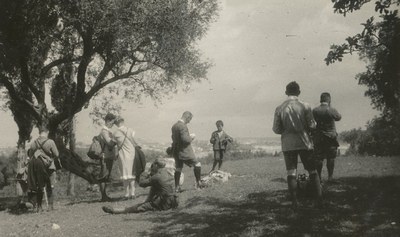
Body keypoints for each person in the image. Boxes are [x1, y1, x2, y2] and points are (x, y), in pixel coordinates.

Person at [272, 81, 322, 209]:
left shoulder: (280, 108)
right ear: (299, 92)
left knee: (291, 172)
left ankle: (295, 202)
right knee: (312, 171)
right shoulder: (305, 106)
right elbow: (312, 125)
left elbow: (276, 129)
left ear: (286, 92)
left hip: (288, 143)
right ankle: (319, 200)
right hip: (304, 141)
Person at [102, 159, 178, 214]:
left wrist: (146, 171)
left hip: (164, 203)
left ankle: (115, 210)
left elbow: (141, 183)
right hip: (173, 202)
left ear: (156, 165)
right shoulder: (168, 172)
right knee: (155, 187)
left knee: (139, 207)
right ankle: (147, 202)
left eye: (153, 165)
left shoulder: (157, 176)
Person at [26, 126, 60, 211]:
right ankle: (50, 206)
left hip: (37, 167)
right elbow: (56, 154)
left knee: (39, 186)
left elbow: (30, 156)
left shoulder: (33, 143)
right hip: (49, 167)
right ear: (47, 132)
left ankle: (39, 206)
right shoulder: (50, 142)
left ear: (40, 133)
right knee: (50, 186)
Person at [313, 92, 342, 182]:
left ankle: (319, 178)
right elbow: (338, 117)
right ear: (329, 99)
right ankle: (330, 177)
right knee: (331, 158)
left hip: (319, 137)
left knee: (319, 158)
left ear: (321, 99)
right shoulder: (331, 109)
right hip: (331, 137)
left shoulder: (315, 110)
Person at [171, 111, 203, 191]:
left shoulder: (174, 126)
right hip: (184, 151)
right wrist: (191, 137)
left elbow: (173, 138)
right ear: (187, 117)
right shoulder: (183, 126)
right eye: (189, 119)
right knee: (197, 164)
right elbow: (185, 140)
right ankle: (198, 185)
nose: (189, 121)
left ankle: (177, 188)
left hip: (176, 151)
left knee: (178, 168)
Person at [113, 117, 136, 199]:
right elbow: (133, 140)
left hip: (123, 154)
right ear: (123, 122)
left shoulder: (115, 133)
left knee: (125, 174)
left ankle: (126, 194)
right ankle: (133, 193)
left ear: (116, 123)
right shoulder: (130, 130)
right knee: (132, 173)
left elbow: (114, 144)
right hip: (132, 153)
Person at [98, 113, 117, 202]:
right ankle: (103, 196)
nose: (112, 125)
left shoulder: (107, 130)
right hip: (105, 156)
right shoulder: (105, 131)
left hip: (108, 156)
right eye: (112, 123)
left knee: (106, 176)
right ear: (108, 121)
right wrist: (117, 139)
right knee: (104, 176)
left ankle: (104, 195)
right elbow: (109, 143)